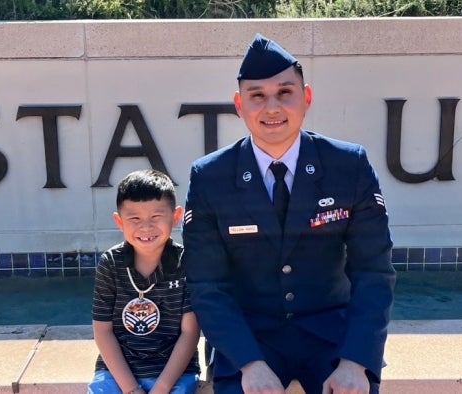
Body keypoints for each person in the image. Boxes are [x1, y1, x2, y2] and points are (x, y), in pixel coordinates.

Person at [181, 34, 395, 394]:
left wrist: (356, 360)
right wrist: (249, 363)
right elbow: (207, 286)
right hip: (250, 336)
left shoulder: (348, 166)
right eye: (257, 96)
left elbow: (373, 272)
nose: (272, 108)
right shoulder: (210, 177)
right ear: (239, 104)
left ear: (306, 97)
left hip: (332, 336)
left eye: (284, 93)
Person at [89, 169, 200, 394]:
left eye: (156, 217)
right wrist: (131, 389)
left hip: (174, 372)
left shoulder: (186, 262)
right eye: (135, 219)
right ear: (119, 221)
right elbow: (102, 331)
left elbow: (190, 332)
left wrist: (162, 387)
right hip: (118, 372)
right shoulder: (111, 263)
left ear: (176, 216)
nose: (146, 227)